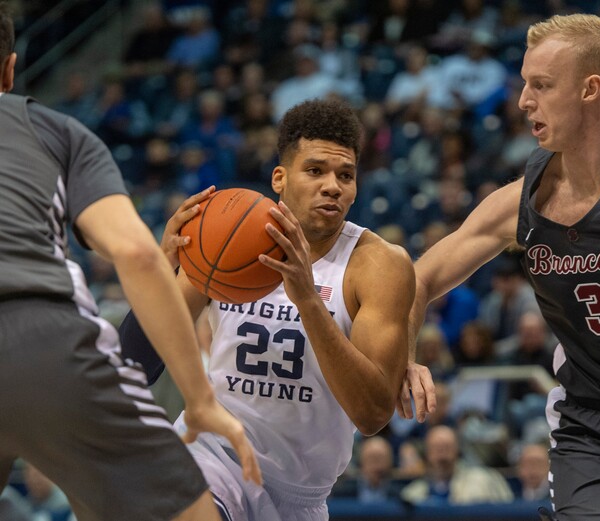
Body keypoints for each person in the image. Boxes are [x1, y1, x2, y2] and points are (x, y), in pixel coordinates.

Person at [399, 12, 600, 520]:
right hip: (596, 428)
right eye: (523, 84)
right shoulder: (524, 200)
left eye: (541, 85)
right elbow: (417, 279)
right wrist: (401, 356)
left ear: (591, 89)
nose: (522, 101)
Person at [0, 4, 261, 521]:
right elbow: (134, 253)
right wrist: (198, 396)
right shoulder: (54, 132)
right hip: (36, 337)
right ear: (9, 69)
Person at [119, 98, 415, 521]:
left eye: (345, 175)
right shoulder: (227, 238)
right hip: (211, 455)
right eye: (315, 171)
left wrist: (309, 302)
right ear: (280, 177)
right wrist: (162, 274)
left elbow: (371, 414)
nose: (332, 185)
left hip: (301, 495)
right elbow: (134, 365)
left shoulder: (378, 265)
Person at [399, 425, 513, 506]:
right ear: (427, 453)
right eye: (437, 449)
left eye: (447, 448)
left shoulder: (485, 480)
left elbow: (509, 511)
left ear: (457, 451)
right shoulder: (412, 495)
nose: (442, 456)